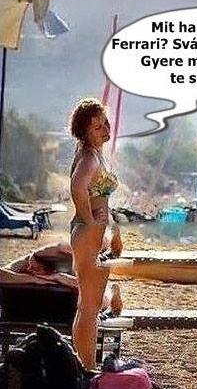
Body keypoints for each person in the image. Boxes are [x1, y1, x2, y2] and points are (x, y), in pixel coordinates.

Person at [69, 97, 122, 370]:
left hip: (90, 234)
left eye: (105, 123)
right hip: (88, 234)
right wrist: (89, 220)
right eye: (97, 127)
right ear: (85, 132)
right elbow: (77, 187)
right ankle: (87, 369)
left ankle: (83, 366)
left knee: (87, 306)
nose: (105, 129)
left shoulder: (92, 154)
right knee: (90, 309)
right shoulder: (89, 156)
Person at [0, 242, 123, 315]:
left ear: (51, 270)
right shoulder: (31, 264)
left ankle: (112, 292)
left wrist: (61, 278)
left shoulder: (70, 273)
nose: (29, 269)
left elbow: (99, 300)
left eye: (34, 268)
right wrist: (33, 279)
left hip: (61, 308)